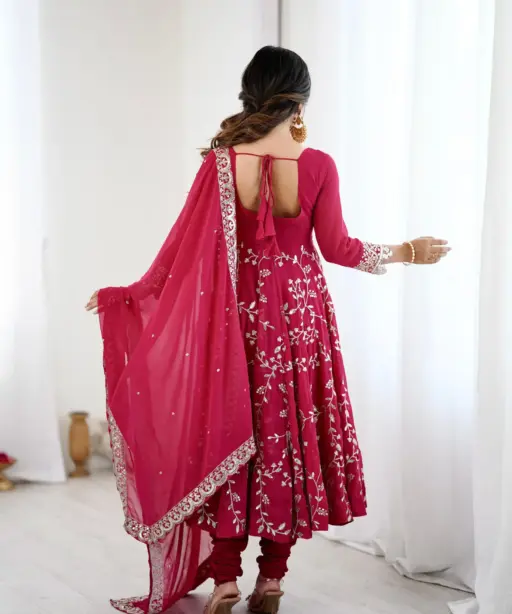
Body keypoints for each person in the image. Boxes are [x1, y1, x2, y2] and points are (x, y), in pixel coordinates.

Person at [86, 46, 451, 614]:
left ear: (250, 95)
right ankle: (272, 579)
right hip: (300, 319)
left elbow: (179, 251)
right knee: (289, 439)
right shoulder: (317, 164)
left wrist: (130, 295)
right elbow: (338, 248)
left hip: (235, 320)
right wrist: (407, 250)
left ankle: (225, 581)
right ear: (300, 102)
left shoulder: (221, 163)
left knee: (230, 434)